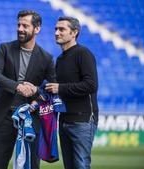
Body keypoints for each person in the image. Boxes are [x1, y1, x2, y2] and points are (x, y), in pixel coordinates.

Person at [0, 10, 56, 169]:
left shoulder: (46, 58)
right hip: (5, 116)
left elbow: (53, 88)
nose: (20, 29)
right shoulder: (5, 48)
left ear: (37, 28)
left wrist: (36, 90)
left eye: (25, 25)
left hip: (31, 119)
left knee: (31, 165)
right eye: (19, 25)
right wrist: (17, 87)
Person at [45, 16, 98, 169]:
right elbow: (56, 87)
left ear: (74, 32)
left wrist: (60, 88)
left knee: (81, 165)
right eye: (56, 29)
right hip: (64, 120)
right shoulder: (60, 59)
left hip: (82, 120)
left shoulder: (83, 53)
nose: (56, 32)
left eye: (61, 29)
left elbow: (91, 85)